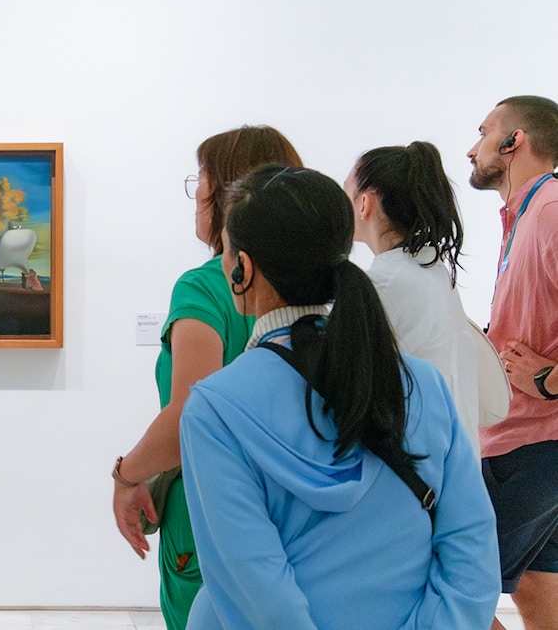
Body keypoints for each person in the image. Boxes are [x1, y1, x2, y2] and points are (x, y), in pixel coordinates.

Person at [179, 165, 499, 629]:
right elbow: (472, 546)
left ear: (242, 270)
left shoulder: (215, 408)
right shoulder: (421, 385)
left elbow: (253, 583)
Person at [111, 125, 301, 630]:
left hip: (214, 514)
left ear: (228, 192)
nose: (196, 194)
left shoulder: (205, 287)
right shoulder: (324, 290)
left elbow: (190, 414)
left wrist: (125, 476)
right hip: (295, 513)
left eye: (201, 180)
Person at [468, 95, 558, 629]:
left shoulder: (549, 212)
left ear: (513, 141)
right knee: (533, 587)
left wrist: (548, 380)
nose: (471, 147)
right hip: (528, 444)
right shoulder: (526, 213)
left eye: (483, 132)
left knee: (447, 592)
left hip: (532, 445)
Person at [344, 141, 496, 456]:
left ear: (365, 204)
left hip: (418, 469)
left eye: (345, 191)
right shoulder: (433, 272)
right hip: (456, 464)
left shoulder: (384, 284)